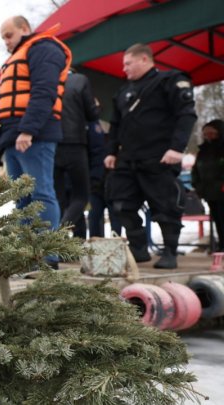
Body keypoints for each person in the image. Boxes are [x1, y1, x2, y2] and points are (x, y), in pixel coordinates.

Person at [104, 43, 197, 269]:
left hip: (160, 157)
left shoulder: (169, 81)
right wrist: (111, 151)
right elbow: (116, 125)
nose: (124, 68)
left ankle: (170, 253)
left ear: (144, 59)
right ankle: (139, 249)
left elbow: (186, 115)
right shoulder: (123, 92)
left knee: (166, 208)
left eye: (128, 63)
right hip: (128, 158)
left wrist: (177, 148)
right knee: (120, 204)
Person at [0, 15, 72, 269]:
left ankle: (47, 256)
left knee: (41, 193)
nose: (6, 42)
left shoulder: (44, 48)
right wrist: (0, 142)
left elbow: (44, 90)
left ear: (24, 29)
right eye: (3, 37)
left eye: (9, 35)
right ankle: (28, 256)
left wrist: (28, 130)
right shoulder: (19, 56)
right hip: (14, 135)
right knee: (22, 199)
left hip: (34, 134)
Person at [54, 70, 99, 232]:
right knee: (81, 195)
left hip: (52, 144)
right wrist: (96, 106)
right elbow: (92, 113)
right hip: (75, 144)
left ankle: (59, 240)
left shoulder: (47, 80)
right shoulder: (80, 80)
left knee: (58, 198)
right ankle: (60, 230)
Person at [192, 120, 224, 251]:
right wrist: (198, 186)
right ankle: (222, 245)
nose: (209, 136)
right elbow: (196, 170)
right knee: (217, 219)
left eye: (212, 133)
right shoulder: (203, 151)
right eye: (206, 134)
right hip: (210, 192)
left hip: (222, 191)